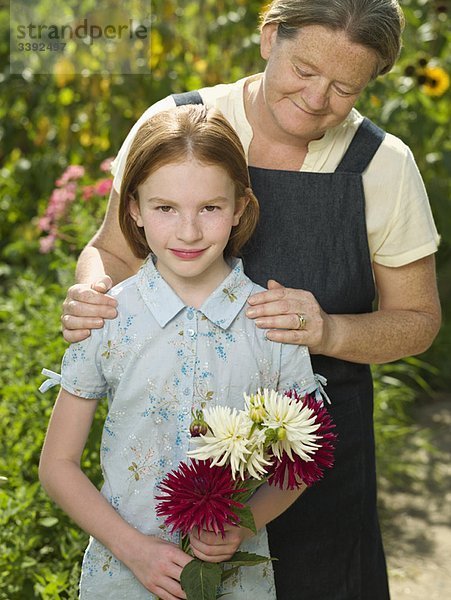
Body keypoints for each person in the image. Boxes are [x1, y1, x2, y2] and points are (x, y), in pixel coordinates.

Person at [60, 1, 442, 598]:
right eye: (305, 69)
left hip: (311, 458)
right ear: (269, 38)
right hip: (169, 469)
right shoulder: (180, 124)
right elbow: (113, 250)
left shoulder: (382, 165)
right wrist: (94, 295)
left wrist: (329, 332)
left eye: (345, 87)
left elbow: (418, 321)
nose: (318, 98)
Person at [39, 104, 327, 600]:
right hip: (121, 576)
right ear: (133, 209)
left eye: (210, 208)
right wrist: (134, 550)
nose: (189, 231)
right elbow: (57, 465)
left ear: (239, 207)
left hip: (237, 582)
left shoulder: (272, 322)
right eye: (165, 208)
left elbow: (304, 458)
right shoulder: (107, 318)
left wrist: (245, 524)